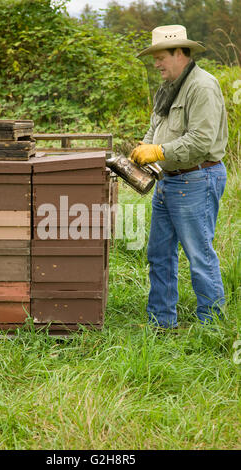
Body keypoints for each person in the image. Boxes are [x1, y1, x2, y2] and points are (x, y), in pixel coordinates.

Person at [129, 25, 228, 329]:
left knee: (199, 256)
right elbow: (155, 128)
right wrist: (145, 148)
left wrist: (157, 151)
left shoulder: (203, 87)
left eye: (160, 58)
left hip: (197, 178)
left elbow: (200, 141)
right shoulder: (168, 86)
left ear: (180, 53)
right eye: (154, 58)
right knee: (159, 254)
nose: (156, 64)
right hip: (168, 180)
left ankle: (212, 326)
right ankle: (161, 323)